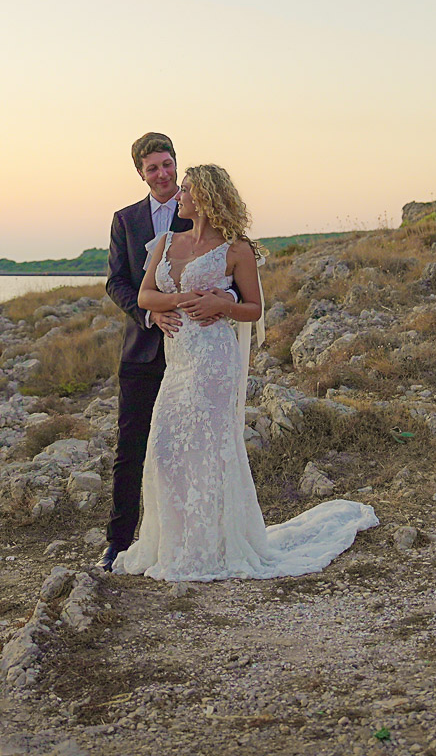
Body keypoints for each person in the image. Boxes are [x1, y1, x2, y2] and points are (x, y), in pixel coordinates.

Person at [112, 164, 378, 581]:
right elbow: (145, 295)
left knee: (209, 450)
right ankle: (175, 544)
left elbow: (254, 309)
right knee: (165, 451)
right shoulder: (165, 242)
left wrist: (222, 305)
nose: (178, 195)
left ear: (205, 197)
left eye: (186, 189)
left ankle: (214, 545)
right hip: (178, 361)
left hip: (213, 360)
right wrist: (178, 300)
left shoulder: (236, 249)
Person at [100, 134, 236, 572]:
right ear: (140, 173)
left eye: (167, 164)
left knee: (195, 447)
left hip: (198, 353)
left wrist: (225, 299)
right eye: (152, 168)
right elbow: (117, 281)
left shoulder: (201, 205)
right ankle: (119, 543)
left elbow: (231, 269)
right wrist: (150, 314)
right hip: (143, 350)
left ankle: (199, 539)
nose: (162, 174)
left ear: (176, 163)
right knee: (133, 447)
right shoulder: (125, 220)